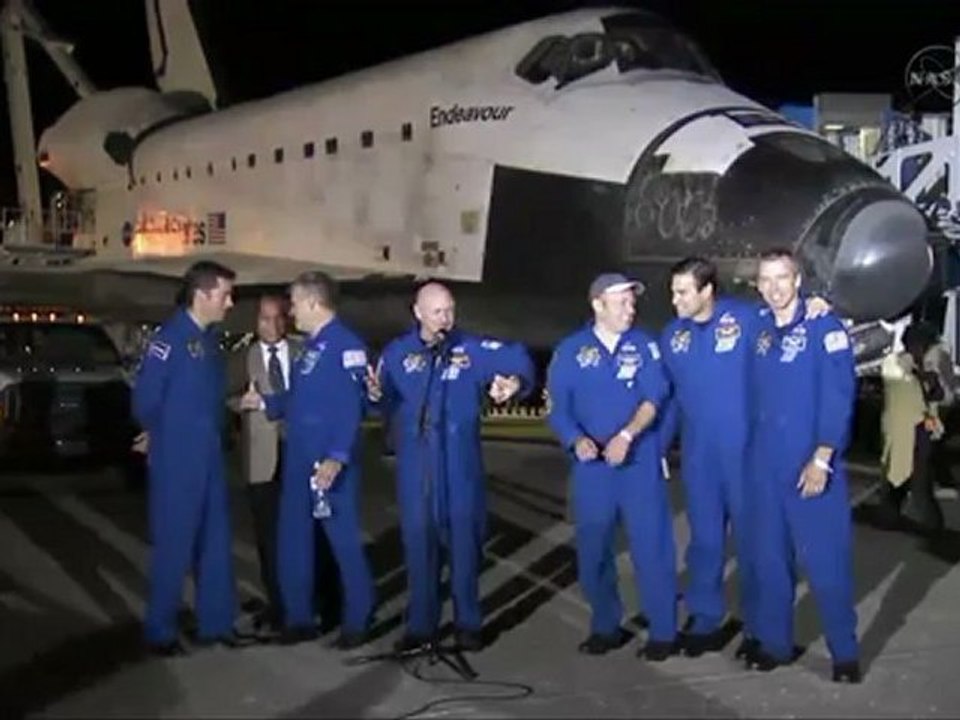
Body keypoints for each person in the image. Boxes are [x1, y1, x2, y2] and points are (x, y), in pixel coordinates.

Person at [658, 257, 829, 659]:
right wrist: (658, 447)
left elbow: (790, 324)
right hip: (701, 457)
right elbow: (667, 397)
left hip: (748, 455)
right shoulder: (673, 336)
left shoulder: (747, 321)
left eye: (682, 292)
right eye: (673, 292)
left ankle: (762, 628)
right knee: (705, 542)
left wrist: (815, 308)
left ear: (707, 291)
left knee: (758, 546)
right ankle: (704, 620)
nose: (675, 300)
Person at [367, 281, 535, 653]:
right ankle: (421, 626)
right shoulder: (397, 353)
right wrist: (375, 395)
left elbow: (518, 359)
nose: (446, 318)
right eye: (438, 312)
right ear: (418, 313)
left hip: (460, 468)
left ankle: (467, 624)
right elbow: (379, 399)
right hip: (417, 469)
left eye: (450, 310)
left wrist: (514, 382)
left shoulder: (470, 349)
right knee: (419, 548)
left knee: (464, 548)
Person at [546, 272, 679, 660]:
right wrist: (576, 440)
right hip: (592, 471)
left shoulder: (645, 346)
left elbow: (653, 398)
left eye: (632, 301)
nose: (630, 309)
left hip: (637, 464)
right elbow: (557, 407)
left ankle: (663, 632)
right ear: (598, 305)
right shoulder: (571, 351)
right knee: (593, 551)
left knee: (652, 549)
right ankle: (606, 625)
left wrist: (626, 436)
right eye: (621, 302)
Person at [240, 271, 375, 649]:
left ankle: (358, 619)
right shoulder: (311, 348)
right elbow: (298, 400)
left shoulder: (346, 346)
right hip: (299, 458)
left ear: (315, 303)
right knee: (293, 539)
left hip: (326, 465)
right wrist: (266, 402)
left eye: (295, 303)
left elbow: (351, 407)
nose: (291, 311)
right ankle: (299, 619)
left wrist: (336, 457)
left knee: (342, 542)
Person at [746, 248, 861, 683]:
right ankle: (776, 644)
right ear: (757, 285)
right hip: (765, 466)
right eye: (766, 280)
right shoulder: (756, 328)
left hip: (811, 465)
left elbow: (838, 396)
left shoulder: (822, 327)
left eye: (782, 278)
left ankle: (844, 653)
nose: (774, 288)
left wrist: (823, 457)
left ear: (798, 281)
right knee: (770, 561)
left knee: (826, 563)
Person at [132, 260, 249, 655]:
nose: (230, 303)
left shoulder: (210, 339)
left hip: (210, 456)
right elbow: (146, 398)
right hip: (179, 458)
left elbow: (209, 396)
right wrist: (160, 435)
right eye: (224, 295)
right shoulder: (170, 339)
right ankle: (159, 630)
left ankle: (215, 622)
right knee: (174, 544)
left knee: (215, 542)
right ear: (202, 295)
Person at [227, 295, 342, 635]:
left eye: (279, 318)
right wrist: (241, 403)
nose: (273, 326)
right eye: (265, 319)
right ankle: (281, 607)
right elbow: (225, 395)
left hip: (303, 454)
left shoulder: (304, 352)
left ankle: (327, 603)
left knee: (317, 533)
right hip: (262, 460)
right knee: (270, 538)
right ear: (255, 322)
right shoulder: (240, 359)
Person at [877, 320, 956, 534]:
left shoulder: (926, 364)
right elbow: (902, 384)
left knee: (918, 478)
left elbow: (939, 394)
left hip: (919, 428)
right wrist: (923, 376)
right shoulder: (896, 363)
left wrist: (929, 378)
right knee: (900, 474)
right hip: (901, 428)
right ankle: (893, 516)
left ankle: (930, 523)